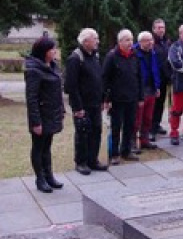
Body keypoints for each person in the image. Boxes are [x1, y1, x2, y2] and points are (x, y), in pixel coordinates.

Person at [64, 28, 109, 175]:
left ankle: (92, 160)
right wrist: (78, 107)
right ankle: (81, 162)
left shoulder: (95, 57)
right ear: (85, 41)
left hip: (96, 103)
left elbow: (99, 80)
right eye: (95, 38)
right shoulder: (75, 59)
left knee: (96, 131)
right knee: (83, 132)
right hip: (82, 105)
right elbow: (71, 86)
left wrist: (103, 99)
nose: (98, 41)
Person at [24, 36, 65, 193]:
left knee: (47, 146)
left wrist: (61, 109)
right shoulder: (33, 70)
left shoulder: (53, 66)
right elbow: (31, 98)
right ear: (44, 52)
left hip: (52, 113)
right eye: (52, 49)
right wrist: (36, 122)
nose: (55, 51)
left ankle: (49, 176)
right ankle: (39, 178)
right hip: (40, 115)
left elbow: (57, 92)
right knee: (38, 147)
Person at [103, 29, 143, 164]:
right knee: (116, 126)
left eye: (131, 39)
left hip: (132, 97)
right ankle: (114, 154)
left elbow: (139, 77)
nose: (130, 42)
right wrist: (106, 99)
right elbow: (105, 79)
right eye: (127, 40)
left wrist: (140, 96)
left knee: (130, 125)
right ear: (119, 42)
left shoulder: (135, 55)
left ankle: (126, 150)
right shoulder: (112, 56)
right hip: (117, 99)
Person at [134, 31, 160, 151]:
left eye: (151, 40)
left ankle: (145, 140)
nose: (150, 42)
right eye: (147, 40)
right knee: (137, 118)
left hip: (151, 88)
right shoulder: (134, 53)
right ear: (140, 42)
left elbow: (155, 70)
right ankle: (133, 142)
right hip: (140, 89)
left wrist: (157, 86)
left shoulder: (153, 52)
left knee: (148, 117)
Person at [150, 19, 171, 139]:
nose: (161, 30)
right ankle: (150, 129)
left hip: (164, 78)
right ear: (153, 29)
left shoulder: (166, 42)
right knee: (153, 104)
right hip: (154, 79)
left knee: (161, 104)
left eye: (162, 27)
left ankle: (157, 124)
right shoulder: (151, 42)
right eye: (158, 27)